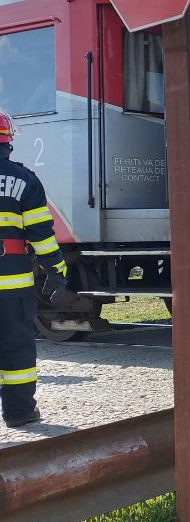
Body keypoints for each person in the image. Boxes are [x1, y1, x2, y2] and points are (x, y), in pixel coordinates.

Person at [0, 108, 67, 428]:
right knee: (16, 348)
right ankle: (20, 412)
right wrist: (57, 270)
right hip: (11, 287)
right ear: (7, 141)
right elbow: (41, 233)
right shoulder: (24, 180)